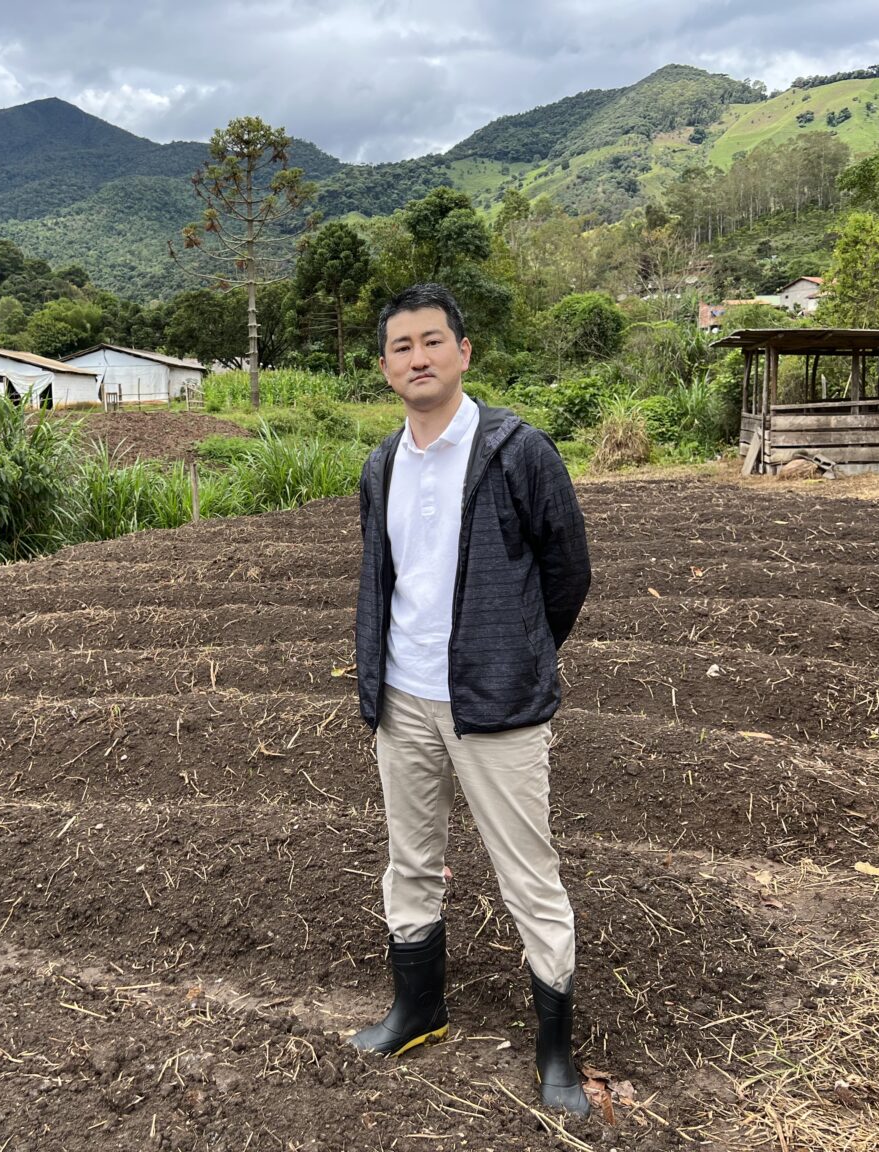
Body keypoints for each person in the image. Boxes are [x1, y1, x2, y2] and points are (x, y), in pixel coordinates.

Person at [350, 282, 593, 1117]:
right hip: (403, 701)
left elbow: (568, 573)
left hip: (494, 704)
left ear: (463, 352)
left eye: (431, 341)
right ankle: (419, 1010)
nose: (417, 358)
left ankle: (554, 1050)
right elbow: (384, 577)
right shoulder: (381, 463)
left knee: (528, 874)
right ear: (385, 367)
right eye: (400, 347)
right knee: (411, 862)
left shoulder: (519, 450)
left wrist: (517, 654)